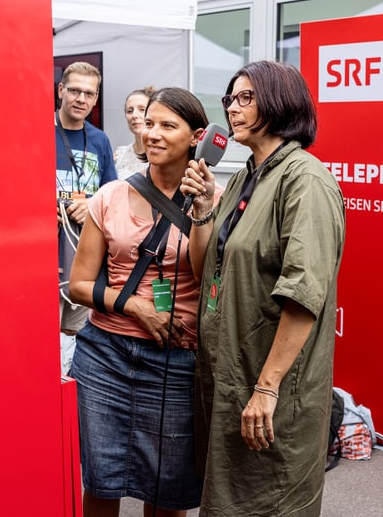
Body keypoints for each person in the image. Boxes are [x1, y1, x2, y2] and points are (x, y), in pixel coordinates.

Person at [180, 60, 346, 516]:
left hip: (272, 387)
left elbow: (304, 293)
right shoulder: (242, 178)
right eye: (230, 99)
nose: (233, 108)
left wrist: (267, 388)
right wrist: (200, 209)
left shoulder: (305, 180)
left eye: (246, 97)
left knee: (271, 499)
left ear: (281, 101)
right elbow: (204, 271)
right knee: (229, 500)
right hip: (233, 374)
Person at [68, 87, 222, 516]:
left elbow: (203, 272)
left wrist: (203, 209)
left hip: (175, 360)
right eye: (148, 123)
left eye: (167, 126)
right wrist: (135, 306)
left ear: (198, 137)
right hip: (105, 356)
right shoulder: (110, 196)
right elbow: (79, 285)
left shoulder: (213, 200)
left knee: (167, 489)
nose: (151, 133)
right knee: (102, 478)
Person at [56, 61, 117, 376]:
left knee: (77, 336)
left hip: (85, 259)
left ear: (95, 99)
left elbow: (111, 196)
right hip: (46, 260)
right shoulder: (37, 133)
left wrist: (92, 204)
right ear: (61, 90)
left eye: (89, 93)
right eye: (75, 90)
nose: (81, 98)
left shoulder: (99, 140)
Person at [112, 86, 156, 179]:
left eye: (142, 109)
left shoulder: (162, 152)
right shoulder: (120, 155)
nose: (134, 115)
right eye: (130, 111)